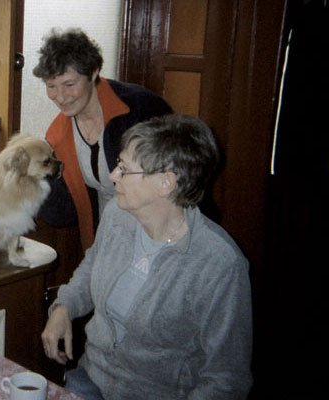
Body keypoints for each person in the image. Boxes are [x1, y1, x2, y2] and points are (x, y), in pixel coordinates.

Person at [41, 114, 253, 399]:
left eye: (124, 169)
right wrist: (63, 307)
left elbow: (226, 378)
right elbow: (92, 267)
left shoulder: (219, 263)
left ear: (166, 183)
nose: (113, 176)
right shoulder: (117, 215)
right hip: (92, 378)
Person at [33, 28, 173, 251]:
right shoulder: (58, 134)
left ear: (93, 72)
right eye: (51, 86)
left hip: (161, 236)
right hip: (108, 242)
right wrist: (29, 181)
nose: (60, 97)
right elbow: (64, 213)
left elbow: (182, 177)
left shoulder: (140, 108)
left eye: (69, 84)